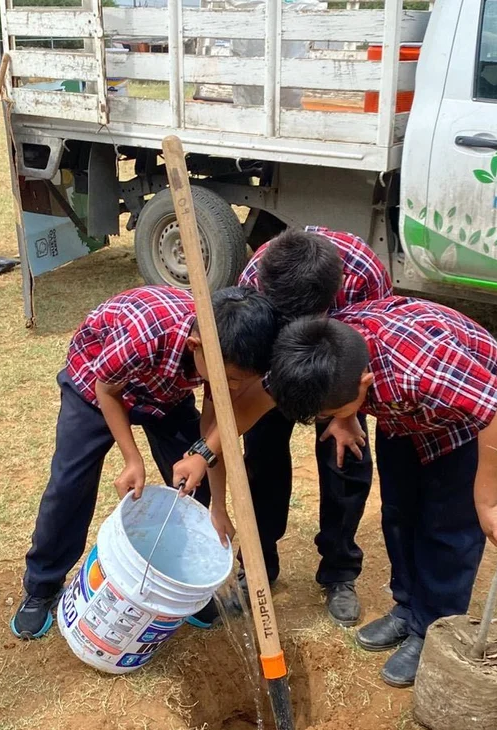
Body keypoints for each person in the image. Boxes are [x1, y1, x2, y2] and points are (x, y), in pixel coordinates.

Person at [264, 297, 497, 688]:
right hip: (401, 418)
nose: (326, 420)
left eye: (329, 412)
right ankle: (408, 608)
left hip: (465, 423)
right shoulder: (330, 342)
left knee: (447, 530)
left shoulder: (421, 369)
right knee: (399, 513)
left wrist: (488, 498)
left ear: (364, 385)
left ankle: (433, 630)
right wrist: (346, 416)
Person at [13, 286, 281, 640]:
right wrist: (131, 458)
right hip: (94, 385)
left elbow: (210, 437)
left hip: (164, 394)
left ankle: (183, 583)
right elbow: (107, 391)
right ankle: (42, 586)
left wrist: (217, 505)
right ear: (195, 346)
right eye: (229, 380)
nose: (232, 388)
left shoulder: (224, 356)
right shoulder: (145, 332)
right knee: (69, 484)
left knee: (191, 487)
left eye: (239, 383)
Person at [174, 227, 390, 627]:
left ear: (330, 300)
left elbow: (367, 352)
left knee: (345, 458)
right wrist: (206, 449)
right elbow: (232, 381)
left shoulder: (365, 275)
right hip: (271, 374)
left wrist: (344, 416)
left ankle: (340, 571)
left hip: (335, 375)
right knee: (263, 459)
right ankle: (260, 562)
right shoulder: (256, 277)